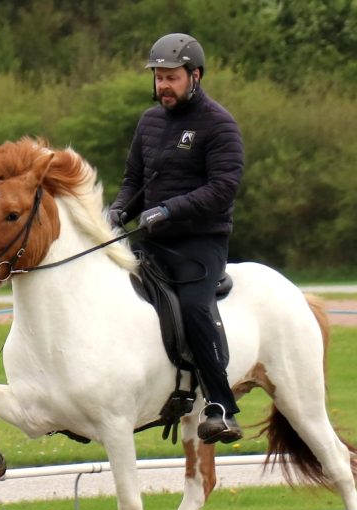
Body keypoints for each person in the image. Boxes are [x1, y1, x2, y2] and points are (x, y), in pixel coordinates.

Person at [109, 33, 244, 444]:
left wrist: (170, 210)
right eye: (158, 77)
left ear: (195, 76)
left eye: (171, 77)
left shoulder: (219, 125)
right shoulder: (149, 122)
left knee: (193, 306)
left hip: (200, 243)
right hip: (150, 240)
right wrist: (116, 211)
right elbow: (135, 181)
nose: (163, 85)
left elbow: (223, 188)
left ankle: (221, 405)